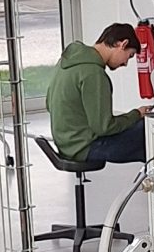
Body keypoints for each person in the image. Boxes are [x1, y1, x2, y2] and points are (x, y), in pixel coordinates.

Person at [47, 24, 146, 168]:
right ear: (122, 44)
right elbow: (104, 127)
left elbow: (48, 104)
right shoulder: (94, 73)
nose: (125, 63)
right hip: (85, 148)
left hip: (66, 144)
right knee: (148, 131)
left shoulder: (66, 62)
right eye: (129, 56)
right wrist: (136, 114)